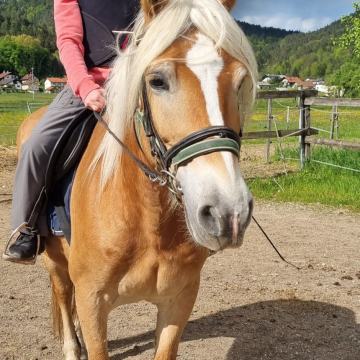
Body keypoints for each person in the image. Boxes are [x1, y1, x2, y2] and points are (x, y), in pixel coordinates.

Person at [3, 0, 139, 264]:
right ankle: (26, 229)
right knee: (36, 146)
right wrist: (86, 86)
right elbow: (69, 42)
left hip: (144, 84)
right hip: (91, 85)